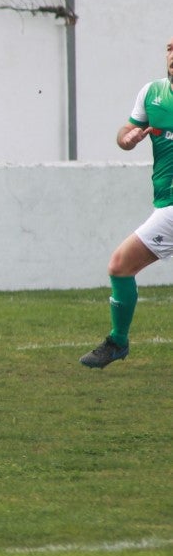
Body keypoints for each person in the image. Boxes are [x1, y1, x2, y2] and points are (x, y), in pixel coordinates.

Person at [80, 34, 173, 368]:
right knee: (121, 267)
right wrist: (128, 138)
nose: (172, 55)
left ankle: (118, 341)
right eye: (170, 48)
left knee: (119, 264)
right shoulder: (152, 94)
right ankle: (118, 342)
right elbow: (125, 134)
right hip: (166, 203)